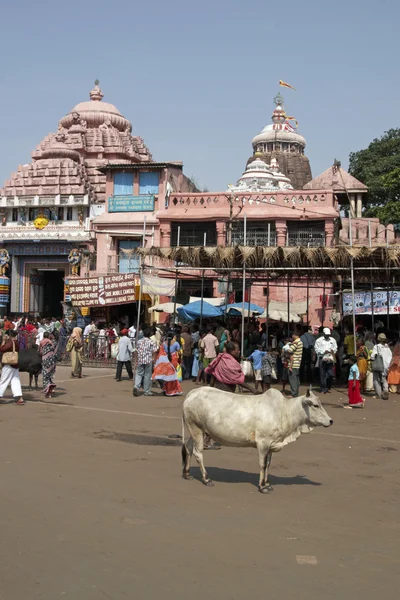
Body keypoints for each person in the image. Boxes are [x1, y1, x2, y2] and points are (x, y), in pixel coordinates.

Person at [152, 331, 183, 396]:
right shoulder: (176, 343)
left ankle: (166, 389)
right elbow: (179, 353)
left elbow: (160, 351)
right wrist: (180, 360)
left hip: (165, 359)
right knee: (173, 375)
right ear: (173, 336)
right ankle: (172, 390)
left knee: (166, 375)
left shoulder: (163, 343)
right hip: (174, 359)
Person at [0, 330, 24, 404]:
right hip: (15, 364)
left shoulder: (10, 343)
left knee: (3, 380)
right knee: (15, 381)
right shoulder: (16, 342)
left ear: (9, 335)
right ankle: (20, 397)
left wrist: (3, 341)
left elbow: (1, 349)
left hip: (8, 364)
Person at [133, 328, 157, 395]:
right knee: (147, 375)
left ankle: (136, 387)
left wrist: (136, 359)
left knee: (139, 374)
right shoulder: (151, 342)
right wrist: (154, 360)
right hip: (148, 360)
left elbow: (135, 351)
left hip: (140, 360)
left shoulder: (139, 341)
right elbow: (155, 351)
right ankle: (147, 391)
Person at [314, 327, 338, 394]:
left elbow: (335, 348)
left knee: (330, 373)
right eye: (326, 334)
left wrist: (333, 351)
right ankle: (323, 388)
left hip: (330, 358)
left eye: (328, 334)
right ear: (323, 333)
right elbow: (316, 349)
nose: (327, 336)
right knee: (322, 374)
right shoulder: (319, 340)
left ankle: (328, 386)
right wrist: (323, 352)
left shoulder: (332, 340)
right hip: (322, 358)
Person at [370, 333, 392, 400]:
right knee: (384, 379)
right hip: (386, 366)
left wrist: (371, 359)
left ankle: (378, 394)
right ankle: (385, 392)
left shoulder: (377, 346)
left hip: (378, 365)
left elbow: (373, 356)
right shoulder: (387, 347)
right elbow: (390, 356)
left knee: (376, 380)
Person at [39, 332, 57, 398]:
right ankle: (50, 386)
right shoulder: (52, 342)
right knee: (50, 374)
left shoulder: (41, 342)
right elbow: (55, 350)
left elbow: (40, 351)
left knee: (45, 374)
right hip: (52, 360)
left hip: (45, 359)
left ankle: (47, 389)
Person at [287, 328, 303, 397]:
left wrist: (289, 345)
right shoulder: (300, 342)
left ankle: (294, 393)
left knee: (293, 378)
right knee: (296, 378)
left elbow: (289, 351)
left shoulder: (296, 343)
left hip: (293, 363)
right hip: (297, 362)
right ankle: (295, 392)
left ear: (294, 335)